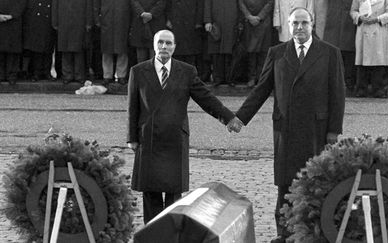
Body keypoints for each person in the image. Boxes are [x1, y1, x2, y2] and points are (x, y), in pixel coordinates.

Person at [228, 7, 345, 243]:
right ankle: (284, 234)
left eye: (304, 23)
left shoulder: (330, 53)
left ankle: (315, 234)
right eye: (295, 23)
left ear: (312, 25)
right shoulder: (278, 53)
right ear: (288, 26)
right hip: (286, 129)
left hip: (317, 130)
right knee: (285, 184)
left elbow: (338, 94)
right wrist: (240, 117)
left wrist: (334, 129)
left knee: (316, 182)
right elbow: (261, 89)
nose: (299, 28)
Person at [127, 30, 241, 224]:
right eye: (160, 43)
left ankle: (172, 236)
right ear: (154, 45)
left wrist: (229, 118)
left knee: (174, 195)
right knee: (150, 194)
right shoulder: (138, 71)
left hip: (174, 140)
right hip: (149, 139)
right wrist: (132, 138)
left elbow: (206, 98)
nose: (164, 47)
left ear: (175, 46)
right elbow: (133, 107)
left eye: (168, 43)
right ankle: (153, 236)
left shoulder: (187, 71)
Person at [350, 0, 388, 98]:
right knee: (362, 60)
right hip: (363, 29)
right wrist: (359, 17)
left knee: (377, 60)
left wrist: (377, 19)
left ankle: (378, 89)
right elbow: (353, 11)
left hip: (377, 29)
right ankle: (361, 89)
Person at [52, 0, 93, 84]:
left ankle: (79, 75)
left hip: (79, 22)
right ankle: (67, 75)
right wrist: (55, 22)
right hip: (63, 22)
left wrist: (89, 22)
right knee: (66, 51)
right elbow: (55, 6)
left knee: (79, 51)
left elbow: (89, 6)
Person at [322, 0, 357, 90]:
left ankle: (349, 82)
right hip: (334, 17)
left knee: (349, 52)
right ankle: (332, 82)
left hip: (350, 18)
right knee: (332, 52)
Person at [94, 0, 130, 85]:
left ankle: (121, 75)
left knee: (122, 50)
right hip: (106, 21)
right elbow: (96, 5)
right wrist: (97, 20)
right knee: (106, 50)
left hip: (122, 21)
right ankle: (107, 76)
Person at [239, 0, 274, 87]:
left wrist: (259, 17)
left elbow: (270, 3)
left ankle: (261, 78)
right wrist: (248, 16)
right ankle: (251, 78)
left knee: (263, 51)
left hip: (264, 21)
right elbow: (241, 3)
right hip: (248, 22)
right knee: (251, 51)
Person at [204, 0, 238, 86]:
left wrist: (239, 20)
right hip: (216, 22)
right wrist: (208, 20)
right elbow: (207, 4)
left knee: (230, 50)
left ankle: (229, 78)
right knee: (216, 51)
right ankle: (217, 78)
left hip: (231, 21)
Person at [22, 0, 56, 82]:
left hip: (49, 24)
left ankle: (47, 72)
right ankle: (36, 73)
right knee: (36, 50)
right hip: (35, 23)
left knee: (48, 49)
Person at [0, 0, 26, 85]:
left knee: (13, 52)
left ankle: (12, 76)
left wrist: (12, 15)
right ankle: (1, 75)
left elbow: (22, 3)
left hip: (14, 22)